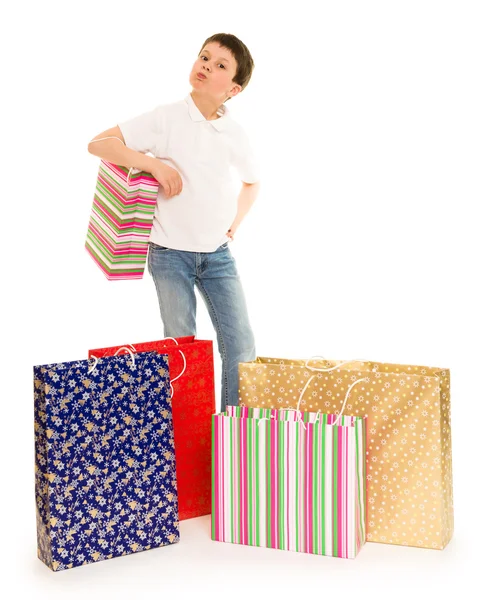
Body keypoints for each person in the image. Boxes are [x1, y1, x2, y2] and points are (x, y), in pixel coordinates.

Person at [88, 33, 261, 411]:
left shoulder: (234, 133)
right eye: (204, 57)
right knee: (181, 348)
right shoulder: (166, 118)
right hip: (169, 255)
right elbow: (99, 144)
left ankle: (232, 432)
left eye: (219, 65)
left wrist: (234, 224)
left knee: (241, 344)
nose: (206, 66)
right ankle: (189, 433)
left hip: (218, 256)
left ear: (233, 89)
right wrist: (152, 163)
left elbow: (252, 183)